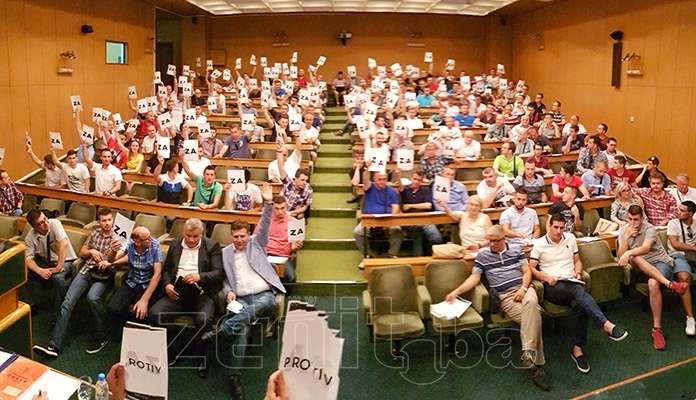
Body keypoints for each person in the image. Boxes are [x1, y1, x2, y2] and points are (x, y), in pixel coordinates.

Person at [445, 225, 549, 391]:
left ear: (503, 239)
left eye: (495, 241)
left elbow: (526, 272)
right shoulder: (483, 255)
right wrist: (456, 292)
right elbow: (474, 278)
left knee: (531, 303)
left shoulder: (516, 250)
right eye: (489, 240)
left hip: (524, 289)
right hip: (506, 297)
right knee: (534, 317)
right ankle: (536, 365)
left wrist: (523, 289)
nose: (491, 243)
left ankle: (528, 354)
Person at [530, 214, 628, 374]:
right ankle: (605, 324)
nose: (559, 231)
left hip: (571, 282)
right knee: (579, 293)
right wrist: (546, 277)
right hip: (553, 286)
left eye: (561, 228)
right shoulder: (540, 244)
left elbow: (577, 261)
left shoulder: (570, 238)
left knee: (579, 303)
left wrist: (577, 272)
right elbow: (531, 269)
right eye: (555, 227)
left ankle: (578, 350)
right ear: (549, 227)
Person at [216, 183, 285, 399]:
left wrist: (268, 202)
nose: (239, 240)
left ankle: (225, 328)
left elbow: (264, 224)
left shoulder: (257, 243)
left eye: (243, 236)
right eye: (235, 237)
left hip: (263, 296)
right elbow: (224, 278)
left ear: (249, 235)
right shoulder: (225, 253)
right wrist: (228, 291)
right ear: (231, 236)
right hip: (241, 300)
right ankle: (234, 377)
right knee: (242, 328)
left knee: (267, 302)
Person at [32, 208, 116, 359]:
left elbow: (116, 258)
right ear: (98, 222)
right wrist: (91, 252)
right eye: (104, 220)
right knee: (67, 302)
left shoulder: (118, 237)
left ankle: (101, 334)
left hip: (103, 274)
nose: (107, 223)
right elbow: (82, 252)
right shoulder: (95, 233)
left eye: (109, 220)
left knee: (92, 298)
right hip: (86, 270)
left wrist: (110, 257)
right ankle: (54, 345)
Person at [149, 218, 223, 378]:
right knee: (154, 313)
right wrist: (167, 285)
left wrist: (199, 276)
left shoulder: (212, 246)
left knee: (203, 320)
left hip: (201, 294)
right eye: (188, 235)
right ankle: (178, 342)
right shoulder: (175, 244)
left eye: (195, 236)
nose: (191, 239)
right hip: (177, 293)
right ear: (183, 232)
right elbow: (166, 270)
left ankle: (201, 357)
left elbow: (218, 273)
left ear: (201, 234)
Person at [617, 205, 690, 350]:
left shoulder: (649, 228)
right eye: (630, 219)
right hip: (640, 268)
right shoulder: (624, 231)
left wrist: (629, 253)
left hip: (660, 263)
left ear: (642, 219)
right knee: (635, 258)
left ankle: (657, 329)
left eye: (636, 220)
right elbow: (620, 256)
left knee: (653, 283)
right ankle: (670, 285)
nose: (633, 223)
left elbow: (645, 248)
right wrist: (625, 239)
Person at [22, 209, 76, 324]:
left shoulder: (55, 223)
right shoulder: (30, 236)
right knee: (24, 273)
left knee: (57, 278)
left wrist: (58, 267)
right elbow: (27, 259)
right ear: (34, 227)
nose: (46, 223)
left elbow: (64, 243)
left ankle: (58, 313)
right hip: (46, 263)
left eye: (45, 219)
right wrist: (39, 271)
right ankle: (31, 305)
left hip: (65, 260)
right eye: (40, 223)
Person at [106, 226, 163, 324]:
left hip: (148, 283)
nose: (151, 239)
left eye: (150, 236)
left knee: (139, 314)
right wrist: (113, 251)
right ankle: (123, 326)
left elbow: (157, 274)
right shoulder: (130, 244)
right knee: (112, 309)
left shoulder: (154, 245)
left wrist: (144, 300)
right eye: (147, 238)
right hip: (133, 281)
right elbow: (111, 259)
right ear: (137, 242)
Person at [353, 163, 402, 265]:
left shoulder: (391, 191)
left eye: (384, 179)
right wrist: (367, 168)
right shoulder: (369, 187)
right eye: (380, 179)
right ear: (374, 179)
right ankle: (367, 255)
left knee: (397, 229)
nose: (382, 181)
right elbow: (365, 179)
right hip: (369, 220)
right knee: (357, 232)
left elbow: (395, 207)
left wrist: (390, 220)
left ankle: (392, 255)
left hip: (387, 219)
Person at [666, 200, 696, 336]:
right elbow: (675, 244)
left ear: (691, 214)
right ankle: (690, 319)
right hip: (678, 255)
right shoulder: (673, 223)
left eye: (682, 210)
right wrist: (694, 248)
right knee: (683, 278)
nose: (678, 212)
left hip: (693, 255)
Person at [396, 170, 442, 256]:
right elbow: (399, 186)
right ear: (411, 178)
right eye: (415, 179)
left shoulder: (426, 190)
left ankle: (429, 250)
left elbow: (428, 205)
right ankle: (418, 257)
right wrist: (398, 175)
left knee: (436, 237)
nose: (416, 182)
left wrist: (410, 206)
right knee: (417, 231)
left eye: (419, 180)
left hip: (425, 219)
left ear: (422, 181)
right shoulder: (405, 190)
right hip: (410, 220)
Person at [258, 195, 302, 284]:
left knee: (291, 278)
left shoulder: (294, 222)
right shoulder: (265, 220)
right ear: (272, 208)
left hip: (283, 256)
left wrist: (296, 247)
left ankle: (281, 292)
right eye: (277, 209)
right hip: (266, 253)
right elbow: (256, 239)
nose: (280, 211)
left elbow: (293, 247)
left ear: (286, 207)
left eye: (282, 208)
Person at [276, 141, 312, 218]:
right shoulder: (288, 182)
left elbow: (305, 206)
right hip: (278, 211)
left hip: (292, 215)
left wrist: (291, 213)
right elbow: (281, 166)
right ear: (295, 179)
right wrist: (279, 151)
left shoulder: (308, 189)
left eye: (306, 180)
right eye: (302, 180)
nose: (304, 182)